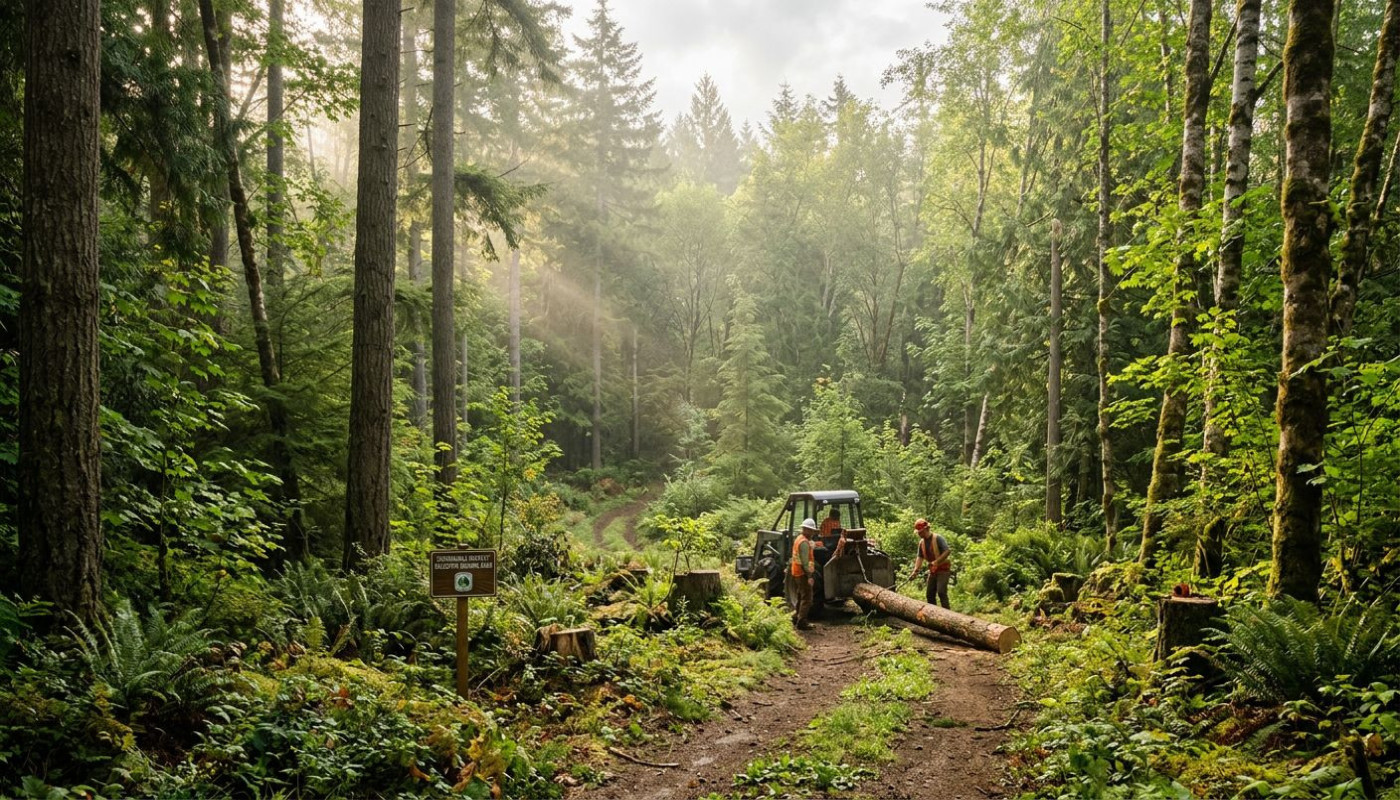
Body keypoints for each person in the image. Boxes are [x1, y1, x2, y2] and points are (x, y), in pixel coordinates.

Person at [909, 518, 952, 609]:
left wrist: (936, 562)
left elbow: (947, 551)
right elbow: (920, 557)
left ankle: (948, 614)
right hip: (933, 571)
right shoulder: (921, 543)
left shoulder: (938, 538)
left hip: (943, 570)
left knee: (941, 592)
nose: (919, 534)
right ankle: (933, 615)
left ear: (925, 529)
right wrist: (915, 571)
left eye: (920, 532)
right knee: (929, 594)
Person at [788, 518, 818, 629]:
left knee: (800, 595)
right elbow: (805, 563)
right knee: (807, 598)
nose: (813, 533)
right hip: (802, 573)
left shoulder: (799, 539)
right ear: (807, 530)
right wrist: (809, 576)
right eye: (812, 530)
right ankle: (802, 622)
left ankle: (796, 616)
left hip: (796, 571)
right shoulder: (804, 543)